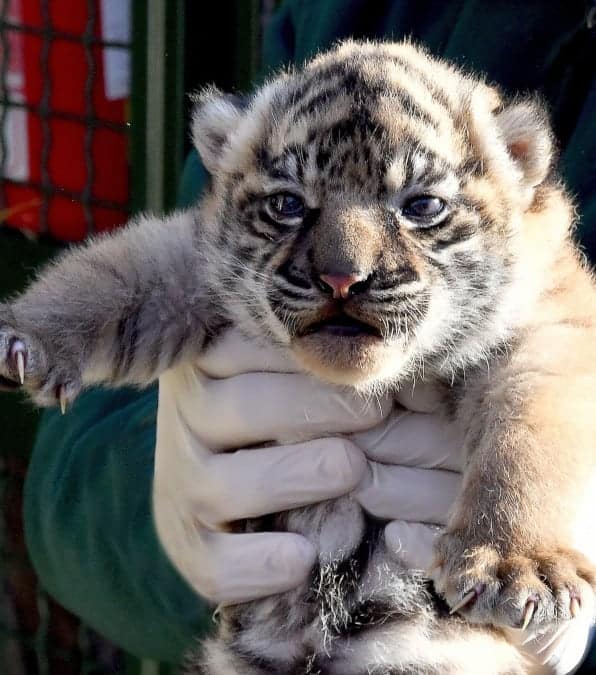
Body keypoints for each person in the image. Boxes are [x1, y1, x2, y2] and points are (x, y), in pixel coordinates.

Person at [23, 0, 596, 671]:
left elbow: (554, 369)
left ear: (521, 164)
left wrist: (533, 541)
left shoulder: (538, 282)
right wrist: (163, 508)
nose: (343, 270)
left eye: (422, 207)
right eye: (289, 204)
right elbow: (66, 489)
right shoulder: (341, 14)